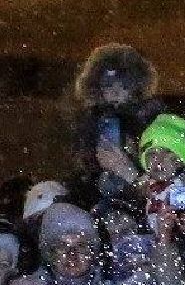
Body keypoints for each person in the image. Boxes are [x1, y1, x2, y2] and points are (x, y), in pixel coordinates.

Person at [71, 44, 166, 205]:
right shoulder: (91, 123)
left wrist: (129, 172)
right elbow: (83, 173)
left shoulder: (152, 120)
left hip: (142, 205)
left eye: (123, 86)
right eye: (108, 85)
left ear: (135, 87)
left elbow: (164, 187)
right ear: (98, 88)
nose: (115, 92)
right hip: (100, 201)